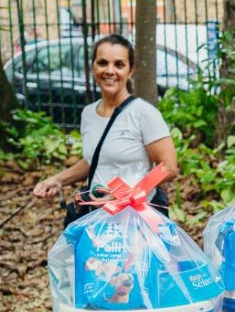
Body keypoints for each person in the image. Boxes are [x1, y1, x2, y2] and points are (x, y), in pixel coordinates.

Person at [32, 34, 177, 217]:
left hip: (135, 218)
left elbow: (169, 167)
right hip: (96, 217)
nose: (109, 71)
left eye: (119, 64)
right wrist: (57, 180)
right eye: (102, 63)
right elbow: (95, 160)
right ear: (93, 67)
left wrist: (127, 196)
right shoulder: (88, 113)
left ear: (131, 71)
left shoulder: (144, 113)